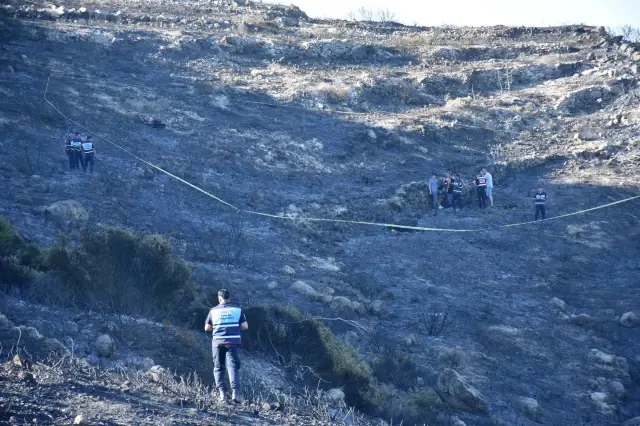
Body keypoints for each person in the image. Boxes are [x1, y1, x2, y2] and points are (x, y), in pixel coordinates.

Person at [204, 289, 248, 404]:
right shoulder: (237, 310)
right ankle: (236, 394)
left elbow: (207, 328)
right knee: (232, 367)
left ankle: (222, 394)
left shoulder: (213, 311)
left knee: (218, 367)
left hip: (218, 343)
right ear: (229, 298)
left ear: (219, 298)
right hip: (232, 343)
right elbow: (245, 326)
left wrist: (218, 327)